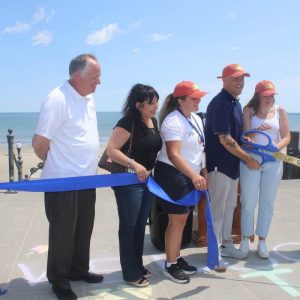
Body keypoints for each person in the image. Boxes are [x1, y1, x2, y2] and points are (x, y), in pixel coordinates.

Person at [32, 53, 103, 300]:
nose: (99, 82)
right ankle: (60, 280)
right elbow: (40, 143)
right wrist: (58, 164)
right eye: (94, 77)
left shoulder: (88, 97)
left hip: (87, 179)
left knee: (84, 228)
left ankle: (78, 269)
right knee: (62, 233)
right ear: (76, 75)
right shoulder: (57, 99)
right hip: (62, 181)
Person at [204, 64, 260, 271]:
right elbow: (225, 139)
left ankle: (225, 244)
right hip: (219, 166)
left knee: (229, 208)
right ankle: (213, 253)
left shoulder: (235, 103)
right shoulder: (221, 104)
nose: (240, 82)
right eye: (236, 78)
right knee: (217, 210)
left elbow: (237, 137)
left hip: (232, 166)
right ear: (224, 80)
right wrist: (248, 159)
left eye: (242, 79)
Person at [106, 84, 162, 287]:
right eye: (151, 103)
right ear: (138, 104)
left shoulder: (152, 121)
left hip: (147, 180)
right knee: (129, 227)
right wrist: (134, 164)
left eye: (156, 102)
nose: (156, 106)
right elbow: (112, 150)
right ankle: (130, 273)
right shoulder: (127, 122)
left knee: (140, 226)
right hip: (128, 181)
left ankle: (136, 265)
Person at [154, 81, 208, 284]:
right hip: (173, 174)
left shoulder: (195, 118)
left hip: (191, 173)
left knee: (183, 220)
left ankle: (176, 258)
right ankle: (170, 265)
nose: (199, 100)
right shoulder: (172, 121)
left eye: (199, 97)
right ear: (181, 100)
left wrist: (203, 172)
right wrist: (194, 176)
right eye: (194, 98)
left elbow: (200, 149)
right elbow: (173, 155)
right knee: (176, 221)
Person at [239, 80, 290, 258]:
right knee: (248, 201)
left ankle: (262, 241)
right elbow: (246, 137)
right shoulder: (248, 110)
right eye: (266, 95)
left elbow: (287, 136)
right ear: (258, 95)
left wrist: (277, 146)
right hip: (251, 159)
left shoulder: (280, 110)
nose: (269, 98)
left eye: (272, 95)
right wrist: (258, 129)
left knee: (267, 202)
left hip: (273, 161)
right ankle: (245, 239)